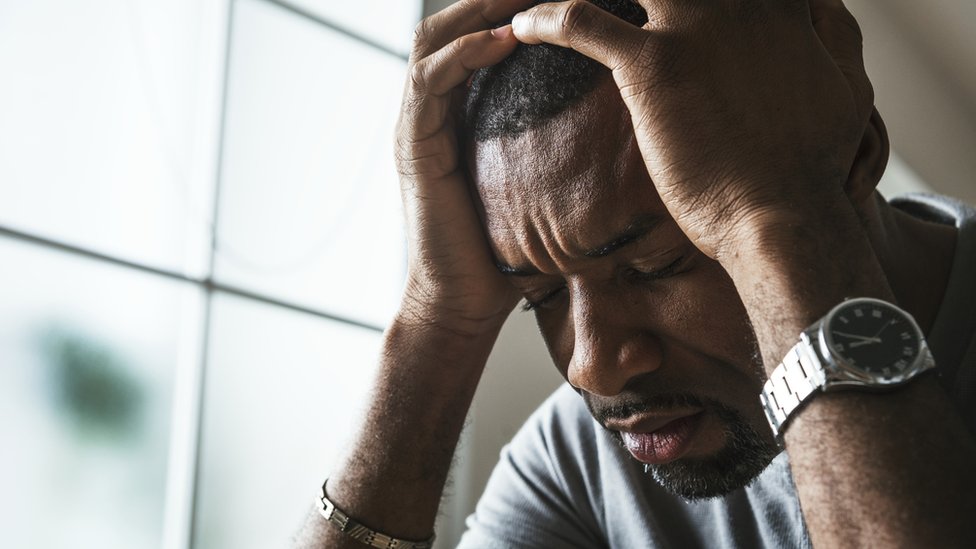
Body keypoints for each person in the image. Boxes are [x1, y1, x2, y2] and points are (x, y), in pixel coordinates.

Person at [296, 0, 976, 547]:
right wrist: (436, 322)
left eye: (658, 266)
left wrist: (780, 221)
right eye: (541, 296)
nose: (594, 368)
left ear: (856, 153)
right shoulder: (578, 463)